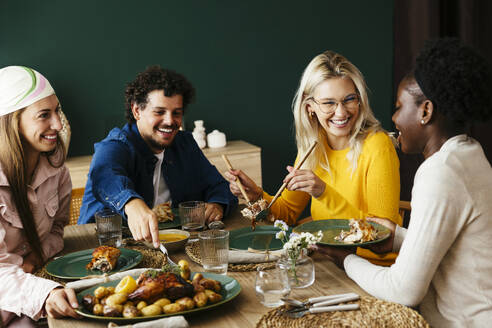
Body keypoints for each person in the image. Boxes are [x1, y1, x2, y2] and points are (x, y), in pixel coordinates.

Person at [315, 38, 492, 327]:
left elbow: (403, 291)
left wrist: (345, 259)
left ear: (426, 111)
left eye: (399, 107)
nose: (394, 118)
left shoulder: (440, 173)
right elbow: (455, 247)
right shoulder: (470, 154)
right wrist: (396, 235)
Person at [225, 51, 401, 265]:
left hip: (372, 267)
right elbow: (287, 214)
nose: (341, 112)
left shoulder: (378, 145)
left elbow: (380, 234)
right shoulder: (313, 146)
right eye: (329, 103)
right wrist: (256, 195)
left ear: (360, 101)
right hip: (330, 261)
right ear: (310, 108)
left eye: (349, 100)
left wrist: (323, 193)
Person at [78, 66, 237, 248]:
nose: (170, 121)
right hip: (103, 250)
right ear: (136, 110)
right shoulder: (115, 145)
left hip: (172, 247)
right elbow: (104, 175)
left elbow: (218, 185)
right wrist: (131, 203)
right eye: (159, 112)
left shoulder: (184, 144)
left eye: (176, 113)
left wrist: (217, 205)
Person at [0, 66, 79, 326]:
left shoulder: (57, 171)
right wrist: (45, 292)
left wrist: (35, 257)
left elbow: (57, 229)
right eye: (44, 115)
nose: (58, 124)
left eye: (57, 111)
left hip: (26, 300)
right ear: (12, 122)